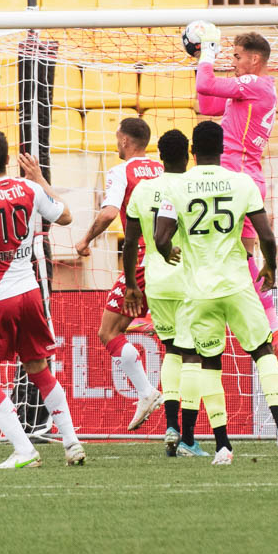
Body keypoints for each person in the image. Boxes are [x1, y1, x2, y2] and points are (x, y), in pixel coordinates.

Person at [151, 120, 278, 465]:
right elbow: (266, 235)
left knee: (209, 362)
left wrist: (168, 251)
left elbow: (160, 237)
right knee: (263, 351)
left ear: (193, 151)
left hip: (199, 291)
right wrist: (270, 267)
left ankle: (223, 445)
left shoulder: (177, 186)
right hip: (237, 285)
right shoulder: (242, 182)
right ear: (223, 149)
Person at [0, 129, 85, 468]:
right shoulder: (29, 188)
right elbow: (66, 216)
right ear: (8, 159)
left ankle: (24, 450)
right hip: (30, 292)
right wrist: (40, 178)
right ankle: (71, 442)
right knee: (39, 368)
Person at [193, 28, 278, 359]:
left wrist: (208, 54)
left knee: (190, 233)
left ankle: (169, 310)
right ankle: (274, 329)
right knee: (246, 259)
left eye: (236, 56)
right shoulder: (254, 90)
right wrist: (200, 60)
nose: (232, 62)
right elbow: (206, 102)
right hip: (249, 180)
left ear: (255, 59)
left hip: (230, 179)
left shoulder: (254, 84)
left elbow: (205, 84)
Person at [74, 117, 165, 431]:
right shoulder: (163, 169)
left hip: (142, 259)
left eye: (117, 138)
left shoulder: (121, 171)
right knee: (180, 344)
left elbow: (110, 212)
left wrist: (85, 240)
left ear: (125, 141)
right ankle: (180, 427)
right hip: (172, 257)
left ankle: (147, 391)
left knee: (108, 332)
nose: (116, 143)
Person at [121, 129, 204, 456]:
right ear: (188, 155)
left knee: (170, 351)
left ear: (160, 156)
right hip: (189, 281)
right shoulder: (192, 187)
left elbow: (129, 242)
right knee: (192, 356)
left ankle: (171, 427)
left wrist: (131, 285)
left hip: (155, 281)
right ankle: (188, 439)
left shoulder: (143, 189)